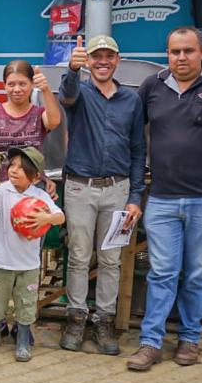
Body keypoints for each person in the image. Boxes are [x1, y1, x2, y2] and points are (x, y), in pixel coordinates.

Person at [127, 27, 202, 371]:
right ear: (167, 54)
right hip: (163, 198)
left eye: (188, 51)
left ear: (201, 52)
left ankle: (190, 339)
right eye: (175, 51)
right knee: (161, 272)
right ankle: (150, 343)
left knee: (196, 273)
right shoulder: (152, 86)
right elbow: (135, 133)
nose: (181, 57)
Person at [58, 35, 146, 355]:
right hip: (81, 187)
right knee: (80, 256)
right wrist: (71, 68)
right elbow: (65, 96)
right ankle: (76, 317)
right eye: (97, 56)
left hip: (118, 189)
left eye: (109, 56)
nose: (103, 61)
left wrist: (135, 195)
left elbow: (139, 150)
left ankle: (104, 319)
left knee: (111, 259)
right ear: (89, 61)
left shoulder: (131, 101)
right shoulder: (79, 92)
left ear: (117, 60)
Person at [0, 147, 64, 361]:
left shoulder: (40, 196)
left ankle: (24, 338)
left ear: (35, 178)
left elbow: (60, 216)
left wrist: (46, 219)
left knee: (26, 304)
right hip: (1, 262)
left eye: (21, 168)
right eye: (12, 165)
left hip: (28, 265)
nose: (14, 171)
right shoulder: (3, 190)